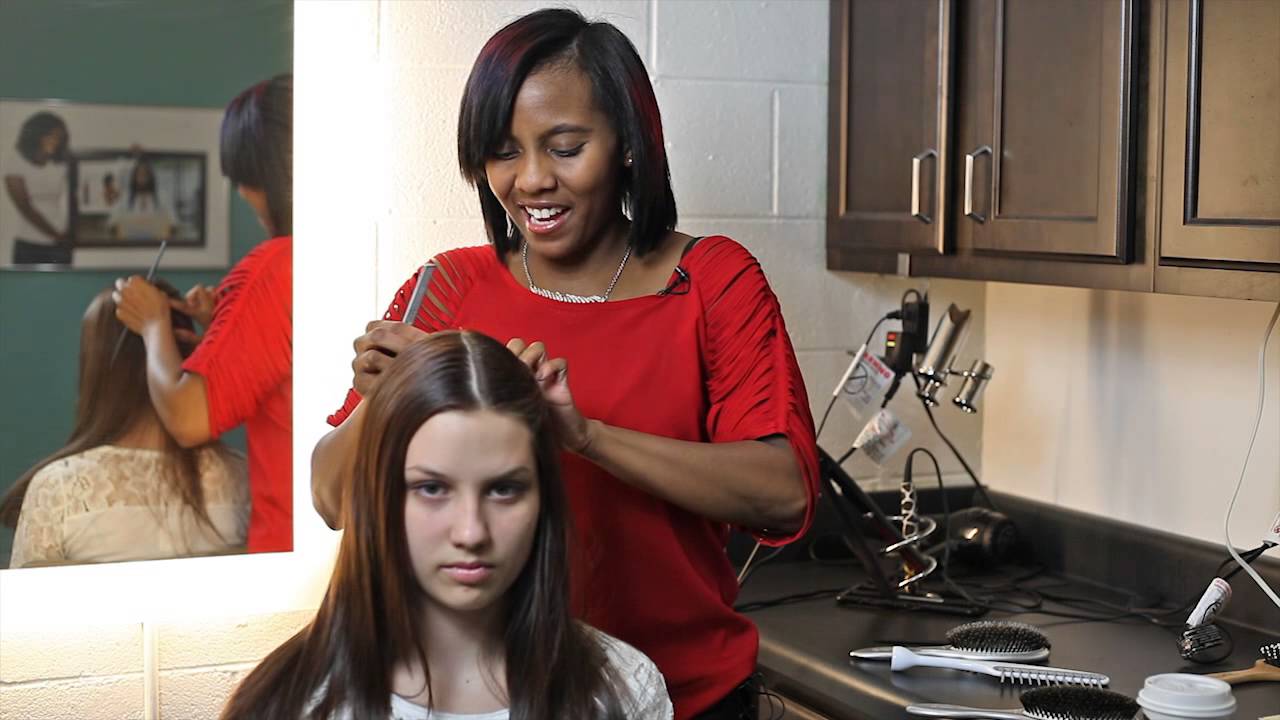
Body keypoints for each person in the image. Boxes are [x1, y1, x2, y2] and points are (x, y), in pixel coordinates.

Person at [310, 10, 819, 719]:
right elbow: (335, 499)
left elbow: (784, 491)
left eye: (566, 146)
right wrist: (385, 401)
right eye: (504, 152)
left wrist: (586, 436)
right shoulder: (448, 288)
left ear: (629, 145)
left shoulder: (710, 283)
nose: (531, 181)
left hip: (690, 698)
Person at [223, 331, 672, 720]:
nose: (472, 532)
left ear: (544, 499)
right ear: (380, 496)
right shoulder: (290, 704)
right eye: (432, 489)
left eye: (503, 490)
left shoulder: (622, 691)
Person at [113, 74, 293, 553]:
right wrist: (226, 330)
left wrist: (154, 326)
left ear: (264, 175)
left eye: (243, 179)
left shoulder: (273, 269)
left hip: (294, 550)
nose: (241, 194)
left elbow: (188, 418)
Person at [1, 281, 248, 568]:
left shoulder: (59, 490)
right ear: (188, 352)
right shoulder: (243, 480)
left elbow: (26, 609)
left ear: (97, 371)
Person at [3, 111, 72, 265]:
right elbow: (25, 207)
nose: (56, 141)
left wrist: (132, 154)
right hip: (29, 243)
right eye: (51, 136)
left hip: (60, 243)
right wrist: (55, 235)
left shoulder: (61, 162)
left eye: (59, 137)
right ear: (36, 136)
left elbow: (91, 169)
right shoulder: (16, 162)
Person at [109, 157, 176, 241]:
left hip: (155, 246)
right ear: (134, 177)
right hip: (130, 247)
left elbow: (173, 224)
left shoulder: (162, 196)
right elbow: (113, 224)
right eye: (139, 175)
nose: (142, 179)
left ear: (151, 177)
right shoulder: (125, 198)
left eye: (145, 175)